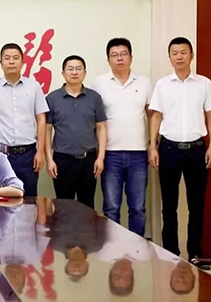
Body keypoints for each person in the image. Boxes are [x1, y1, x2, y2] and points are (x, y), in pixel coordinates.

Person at [148, 37, 211, 260]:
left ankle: (194, 254)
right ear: (170, 57)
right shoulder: (162, 85)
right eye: (174, 53)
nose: (179, 57)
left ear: (191, 55)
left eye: (183, 52)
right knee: (169, 205)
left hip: (197, 150)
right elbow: (156, 116)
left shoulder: (204, 83)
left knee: (196, 205)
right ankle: (170, 254)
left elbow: (209, 115)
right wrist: (152, 146)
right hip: (169, 149)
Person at [91, 38, 152, 236]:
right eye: (114, 55)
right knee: (111, 208)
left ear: (131, 57)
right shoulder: (99, 83)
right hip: (110, 154)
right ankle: (113, 249)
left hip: (138, 154)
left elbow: (152, 116)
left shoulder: (144, 82)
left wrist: (152, 145)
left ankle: (136, 248)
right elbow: (93, 119)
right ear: (108, 59)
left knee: (138, 208)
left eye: (124, 54)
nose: (119, 58)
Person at [0, 43, 49, 197]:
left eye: (15, 58)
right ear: (1, 63)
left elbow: (41, 119)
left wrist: (40, 152)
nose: (11, 61)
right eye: (7, 58)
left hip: (29, 154)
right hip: (1, 154)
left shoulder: (34, 87)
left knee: (29, 198)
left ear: (23, 62)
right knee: (1, 198)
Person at [45, 55, 107, 209]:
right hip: (62, 160)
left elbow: (101, 127)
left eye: (78, 69)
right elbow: (47, 130)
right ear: (63, 73)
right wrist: (49, 159)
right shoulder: (52, 98)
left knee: (87, 206)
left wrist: (101, 157)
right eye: (70, 69)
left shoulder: (94, 98)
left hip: (89, 160)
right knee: (63, 207)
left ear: (85, 73)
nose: (74, 72)